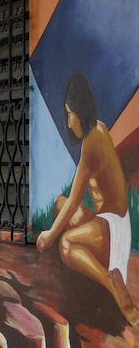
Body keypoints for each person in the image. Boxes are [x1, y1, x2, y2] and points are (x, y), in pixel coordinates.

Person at [37, 73, 139, 325]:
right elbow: (68, 202)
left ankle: (110, 281)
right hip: (109, 222)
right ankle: (104, 275)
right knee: (59, 204)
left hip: (113, 230)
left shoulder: (92, 142)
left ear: (78, 111)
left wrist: (50, 235)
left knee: (66, 245)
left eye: (69, 113)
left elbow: (75, 199)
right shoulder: (99, 129)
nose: (69, 122)